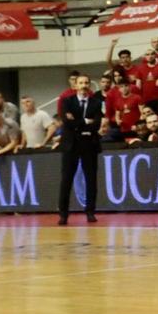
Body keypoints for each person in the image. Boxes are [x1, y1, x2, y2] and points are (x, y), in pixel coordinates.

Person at [56, 73, 104, 225]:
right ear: (75, 86)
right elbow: (67, 122)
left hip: (89, 143)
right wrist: (84, 121)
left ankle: (90, 211)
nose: (83, 86)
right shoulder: (67, 102)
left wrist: (77, 122)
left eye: (86, 83)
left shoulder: (96, 103)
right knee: (66, 179)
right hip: (71, 144)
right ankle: (63, 214)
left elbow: (96, 124)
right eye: (80, 83)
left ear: (89, 86)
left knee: (91, 179)